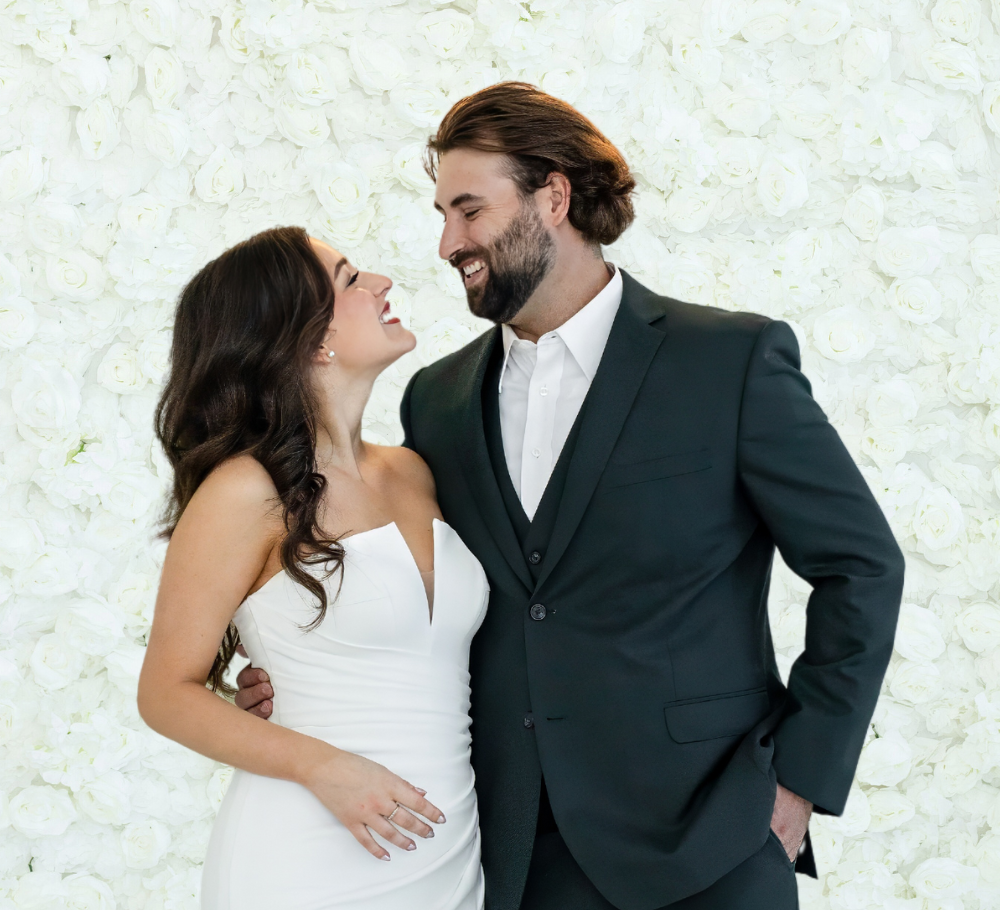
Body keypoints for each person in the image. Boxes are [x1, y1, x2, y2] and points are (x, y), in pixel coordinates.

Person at [236, 84, 905, 910]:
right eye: (442, 213)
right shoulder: (436, 402)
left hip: (712, 837)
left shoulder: (727, 361)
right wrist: (287, 676)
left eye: (469, 210)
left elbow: (861, 567)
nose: (448, 242)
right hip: (512, 850)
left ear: (553, 196)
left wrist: (801, 783)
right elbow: (414, 587)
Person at [137, 226, 488, 910]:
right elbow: (165, 692)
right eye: (352, 279)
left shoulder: (413, 471)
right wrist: (325, 768)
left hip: (444, 847)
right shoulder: (246, 491)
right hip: (308, 846)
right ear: (306, 338)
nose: (382, 282)